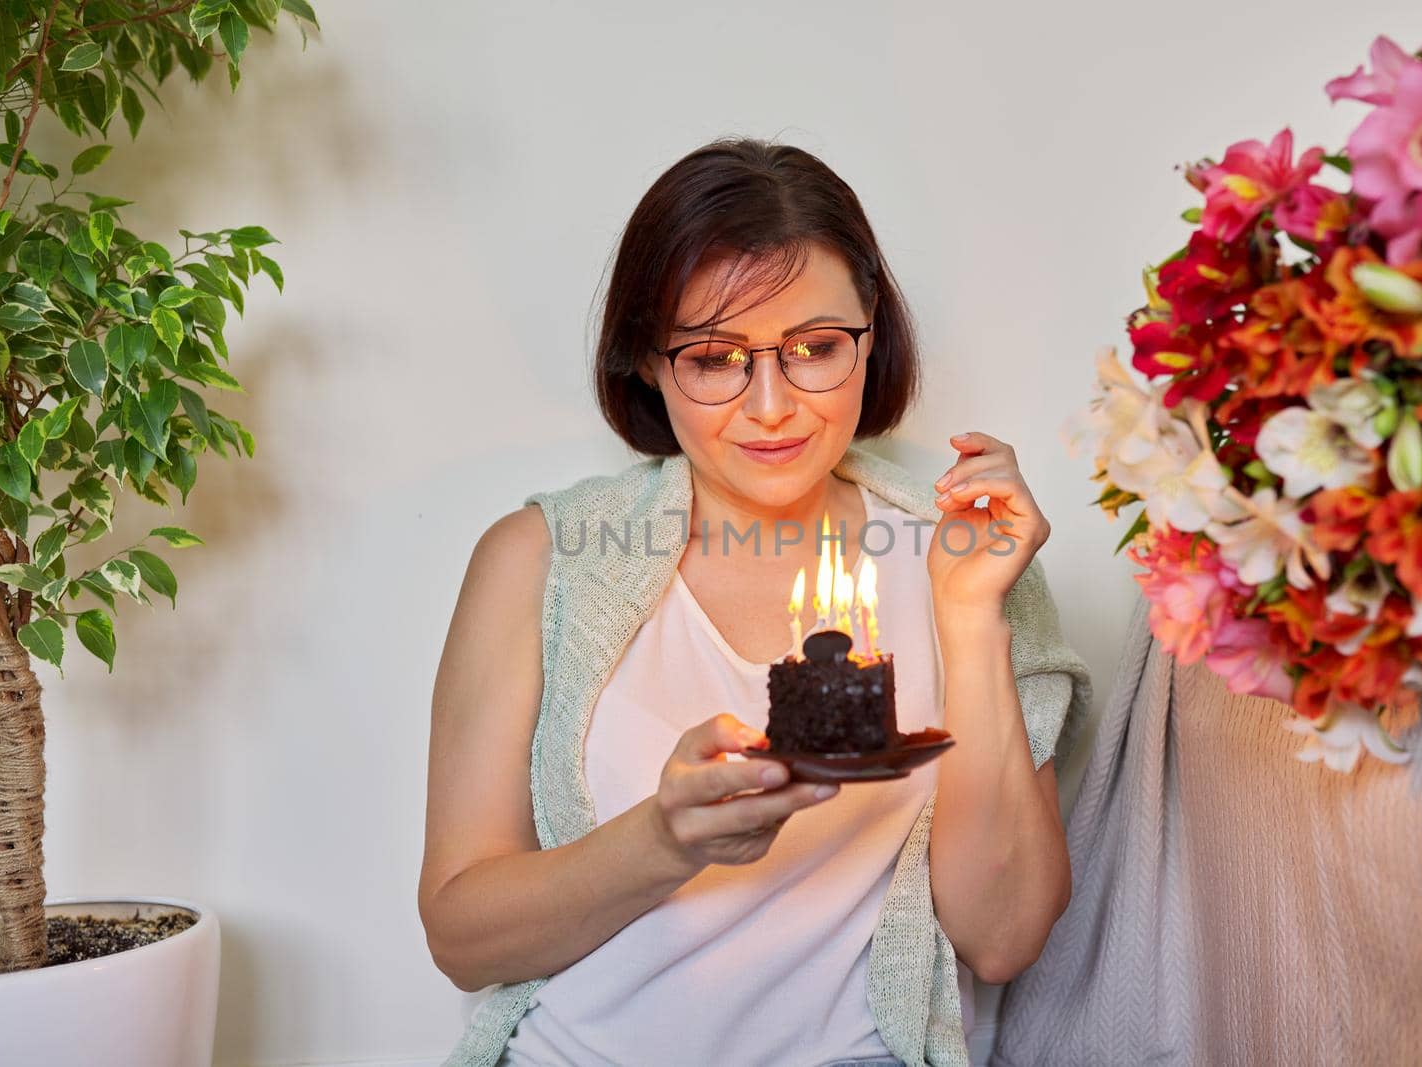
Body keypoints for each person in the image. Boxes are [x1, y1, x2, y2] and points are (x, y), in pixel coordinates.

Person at [418, 137, 1091, 1067]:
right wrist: (664, 837)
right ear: (650, 363)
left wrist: (971, 619)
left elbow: (1004, 936)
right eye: (714, 356)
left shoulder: (963, 547)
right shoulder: (540, 559)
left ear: (873, 335)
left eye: (816, 348)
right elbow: (461, 938)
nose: (771, 405)